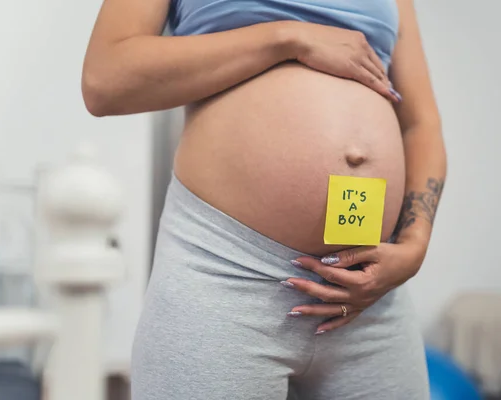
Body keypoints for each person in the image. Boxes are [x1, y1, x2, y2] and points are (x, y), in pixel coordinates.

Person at [82, 0, 446, 398]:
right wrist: (286, 38)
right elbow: (105, 79)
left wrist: (415, 243)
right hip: (226, 269)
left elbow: (420, 123)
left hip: (368, 294)